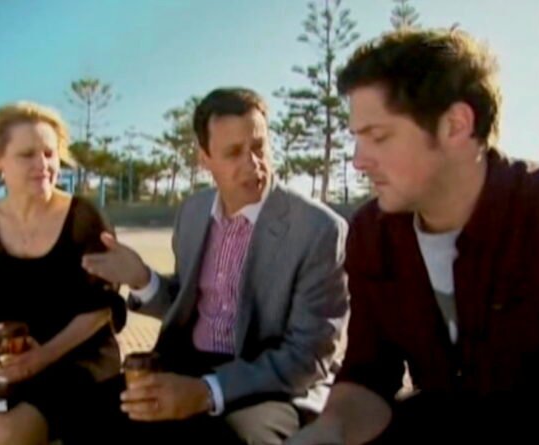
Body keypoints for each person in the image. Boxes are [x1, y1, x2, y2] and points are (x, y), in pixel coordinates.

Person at [288, 28, 539, 445]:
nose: (358, 160)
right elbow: (369, 376)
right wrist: (328, 433)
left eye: (378, 136)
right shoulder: (374, 234)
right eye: (357, 138)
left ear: (455, 125)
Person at [82, 87, 349, 444]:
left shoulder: (318, 229)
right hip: (185, 360)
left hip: (269, 382)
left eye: (259, 147)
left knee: (225, 438)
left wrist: (207, 391)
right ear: (204, 158)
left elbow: (308, 357)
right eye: (234, 152)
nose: (253, 164)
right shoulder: (193, 212)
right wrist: (142, 278)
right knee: (92, 413)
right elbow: (186, 305)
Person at [0, 101, 126, 445]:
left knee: (2, 434)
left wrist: (40, 358)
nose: (42, 165)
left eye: (49, 153)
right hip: (10, 357)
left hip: (74, 355)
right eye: (27, 155)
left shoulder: (84, 218)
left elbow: (100, 308)